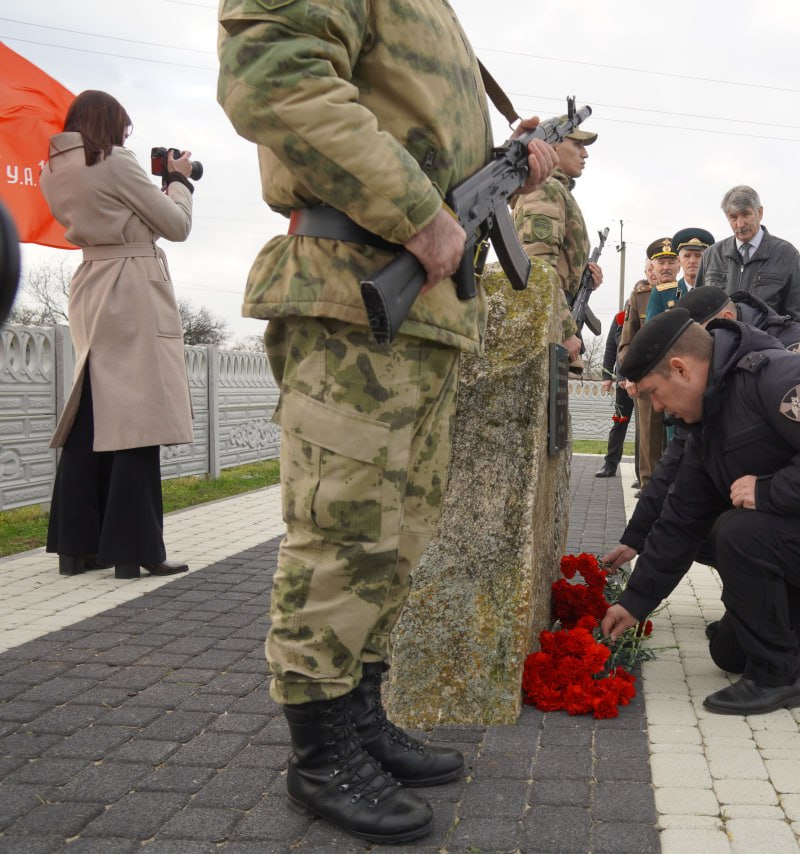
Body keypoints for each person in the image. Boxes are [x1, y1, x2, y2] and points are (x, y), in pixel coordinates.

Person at [218, 5, 555, 844]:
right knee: (342, 530)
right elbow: (275, 74)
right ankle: (320, 752)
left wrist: (513, 169)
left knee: (398, 536)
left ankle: (360, 715)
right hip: (352, 291)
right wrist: (416, 211)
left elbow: (416, 131)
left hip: (423, 316)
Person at [601, 309, 800, 715]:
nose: (659, 408)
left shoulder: (780, 379)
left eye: (653, 393)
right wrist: (635, 602)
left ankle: (779, 678)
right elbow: (682, 518)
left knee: (738, 531)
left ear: (680, 369)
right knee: (730, 651)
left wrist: (770, 491)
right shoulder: (710, 420)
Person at [39, 90, 194, 582]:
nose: (127, 137)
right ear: (110, 124)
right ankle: (134, 550)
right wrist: (177, 181)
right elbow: (176, 225)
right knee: (138, 417)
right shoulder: (116, 163)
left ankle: (75, 546)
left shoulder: (52, 170)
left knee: (90, 414)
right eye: (124, 129)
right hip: (132, 286)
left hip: (89, 284)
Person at [603, 284, 800, 569]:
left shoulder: (791, 352)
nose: (694, 348)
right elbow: (679, 454)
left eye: (701, 335)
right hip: (766, 487)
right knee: (696, 525)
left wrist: (768, 491)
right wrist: (636, 536)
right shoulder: (714, 368)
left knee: (735, 531)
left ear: (727, 319)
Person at [511, 120, 602, 371]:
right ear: (551, 145)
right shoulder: (546, 189)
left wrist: (582, 274)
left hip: (550, 316)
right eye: (577, 144)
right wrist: (565, 328)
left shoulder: (557, 190)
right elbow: (537, 266)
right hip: (546, 323)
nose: (585, 153)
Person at [618, 239, 679, 491]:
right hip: (647, 379)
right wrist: (631, 374)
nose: (665, 267)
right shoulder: (640, 296)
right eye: (660, 262)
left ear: (678, 265)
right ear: (652, 266)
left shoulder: (685, 292)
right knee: (649, 443)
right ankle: (649, 493)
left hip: (679, 380)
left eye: (670, 262)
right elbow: (626, 343)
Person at [696, 185, 800, 322]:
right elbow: (698, 312)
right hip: (719, 342)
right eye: (733, 217)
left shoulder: (787, 255)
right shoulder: (712, 255)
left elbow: (794, 320)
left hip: (765, 343)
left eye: (746, 214)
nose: (740, 224)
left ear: (760, 213)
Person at [595, 309, 632, 478]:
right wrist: (606, 375)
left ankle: (645, 472)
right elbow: (611, 346)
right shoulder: (620, 317)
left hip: (647, 379)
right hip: (623, 380)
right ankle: (610, 465)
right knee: (619, 422)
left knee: (647, 428)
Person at [672, 225, 714, 291]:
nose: (692, 261)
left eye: (698, 256)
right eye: (687, 256)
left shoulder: (719, 290)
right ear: (679, 260)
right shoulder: (663, 294)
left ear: (708, 259)